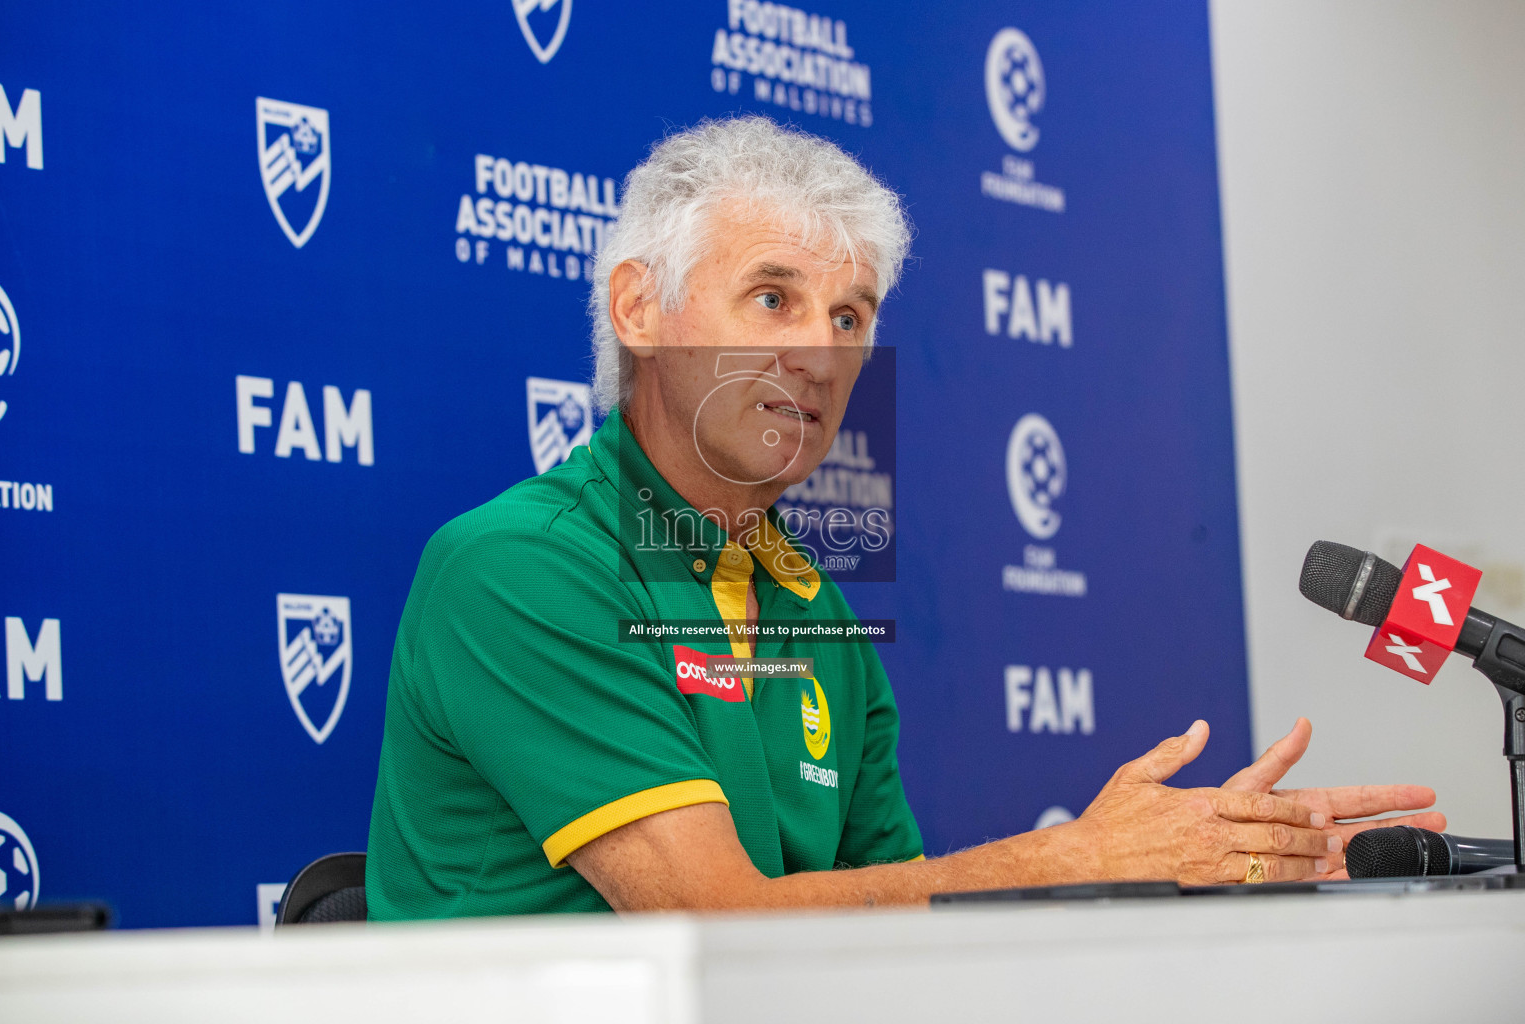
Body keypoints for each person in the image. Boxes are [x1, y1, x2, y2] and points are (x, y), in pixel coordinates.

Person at [365, 116, 1442, 918]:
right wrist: (1083, 855)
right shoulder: (518, 567)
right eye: (774, 297)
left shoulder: (811, 601)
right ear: (640, 309)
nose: (823, 352)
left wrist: (1184, 864)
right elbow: (711, 917)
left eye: (851, 316)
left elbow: (904, 921)